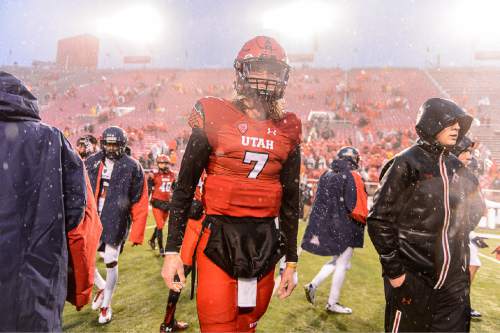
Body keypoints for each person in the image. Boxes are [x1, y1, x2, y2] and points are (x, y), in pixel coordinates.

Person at [161, 36, 301, 332]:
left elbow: (291, 199)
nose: (266, 77)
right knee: (218, 326)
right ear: (242, 72)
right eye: (259, 68)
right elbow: (184, 188)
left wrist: (291, 260)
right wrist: (172, 250)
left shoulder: (288, 127)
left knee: (248, 326)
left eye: (273, 70)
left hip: (265, 239)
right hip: (219, 238)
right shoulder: (215, 115)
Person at [0, 71, 102, 331]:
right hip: (35, 282)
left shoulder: (52, 141)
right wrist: (79, 286)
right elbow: (81, 220)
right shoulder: (51, 139)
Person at [368, 97, 474, 332]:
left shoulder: (456, 167)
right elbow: (379, 220)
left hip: (454, 286)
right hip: (414, 279)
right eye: (451, 122)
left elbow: (470, 214)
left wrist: (462, 270)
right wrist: (396, 273)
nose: (457, 127)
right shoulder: (405, 162)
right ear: (431, 122)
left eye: (459, 123)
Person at [85, 126, 149, 324]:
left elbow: (140, 200)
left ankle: (106, 306)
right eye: (108, 144)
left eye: (115, 144)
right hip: (93, 214)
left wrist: (137, 233)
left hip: (116, 217)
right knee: (82, 257)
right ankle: (102, 286)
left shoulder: (132, 166)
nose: (111, 149)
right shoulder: (92, 161)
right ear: (102, 143)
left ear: (123, 145)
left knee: (110, 260)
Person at [302, 146, 368, 314]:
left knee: (337, 261)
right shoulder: (354, 176)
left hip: (330, 224)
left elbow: (319, 202)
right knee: (343, 264)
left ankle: (312, 285)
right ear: (354, 159)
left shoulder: (327, 174)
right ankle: (333, 303)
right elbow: (358, 209)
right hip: (347, 225)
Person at [450, 136, 487, 319]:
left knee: (470, 265)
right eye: (466, 152)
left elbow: (476, 208)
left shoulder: (464, 175)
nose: (469, 157)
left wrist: (468, 230)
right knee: (462, 268)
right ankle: (459, 304)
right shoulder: (453, 174)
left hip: (461, 231)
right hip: (453, 233)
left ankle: (462, 303)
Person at [148, 154, 176, 256]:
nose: (161, 165)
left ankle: (151, 240)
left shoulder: (172, 174)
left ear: (167, 164)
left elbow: (175, 188)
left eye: (163, 163)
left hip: (167, 203)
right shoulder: (154, 174)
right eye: (160, 163)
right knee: (160, 226)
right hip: (157, 203)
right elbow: (148, 188)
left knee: (161, 225)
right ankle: (161, 249)